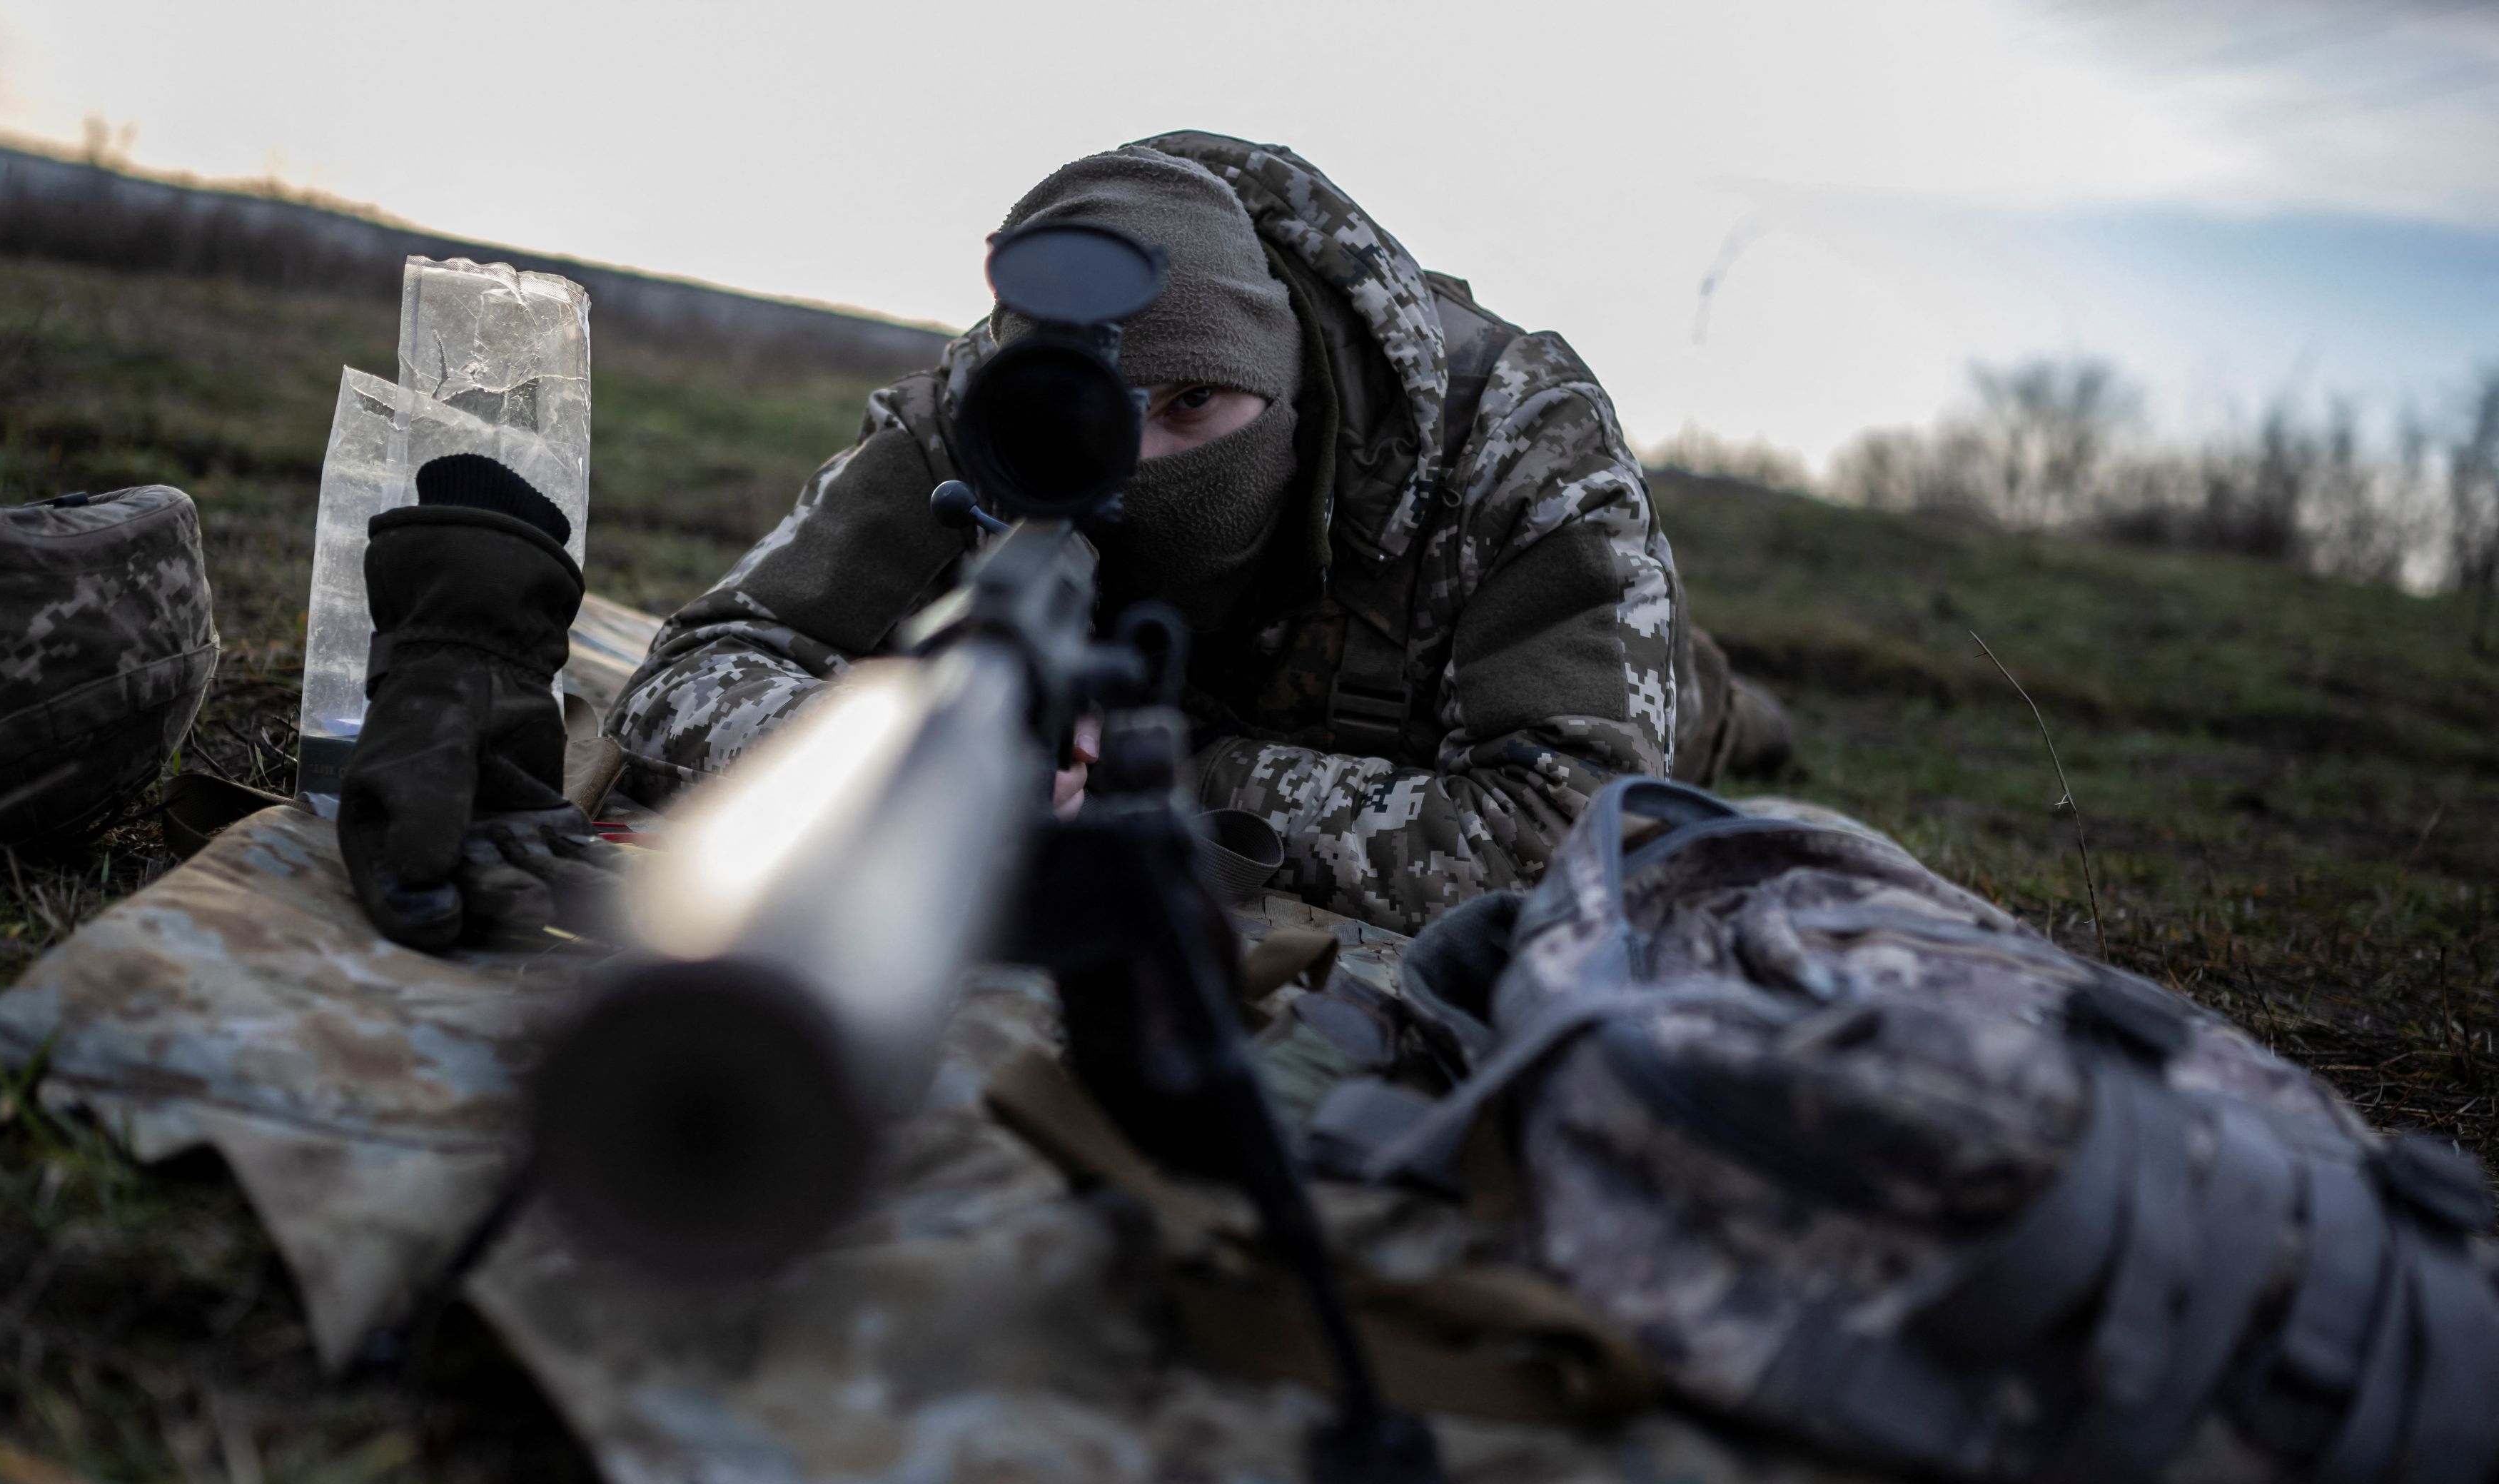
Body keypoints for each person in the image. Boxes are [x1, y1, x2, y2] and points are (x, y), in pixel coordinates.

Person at [605, 132, 1787, 936]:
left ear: (1288, 387)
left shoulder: (1518, 446)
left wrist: (1166, 770)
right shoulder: (977, 417)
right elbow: (692, 670)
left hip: (1498, 692)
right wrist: (902, 746)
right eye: (1100, 416)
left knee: (1697, 705)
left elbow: (1563, 837)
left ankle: (1740, 702)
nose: (1141, 464)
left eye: (1194, 405)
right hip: (1230, 711)